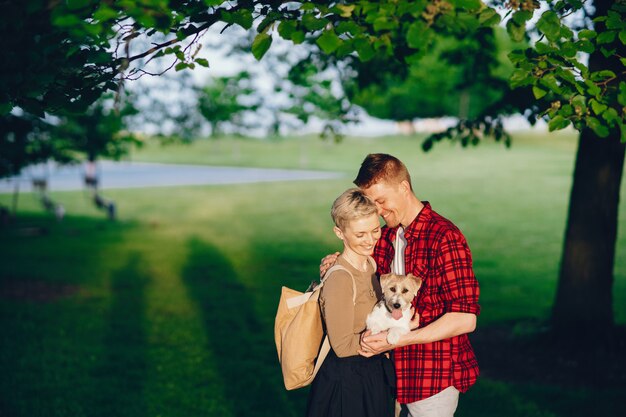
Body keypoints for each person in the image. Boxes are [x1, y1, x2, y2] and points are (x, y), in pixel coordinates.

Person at [320, 154, 480, 417]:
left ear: (404, 188)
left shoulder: (444, 238)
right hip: (387, 377)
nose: (379, 211)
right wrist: (335, 262)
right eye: (373, 204)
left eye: (381, 201)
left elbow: (464, 318)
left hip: (431, 377)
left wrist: (398, 340)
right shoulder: (385, 237)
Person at [306, 188, 395, 417]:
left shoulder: (371, 265)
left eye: (375, 230)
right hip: (347, 386)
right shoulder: (340, 278)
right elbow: (343, 345)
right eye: (360, 234)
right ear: (339, 233)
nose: (370, 240)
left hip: (371, 375)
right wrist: (392, 338)